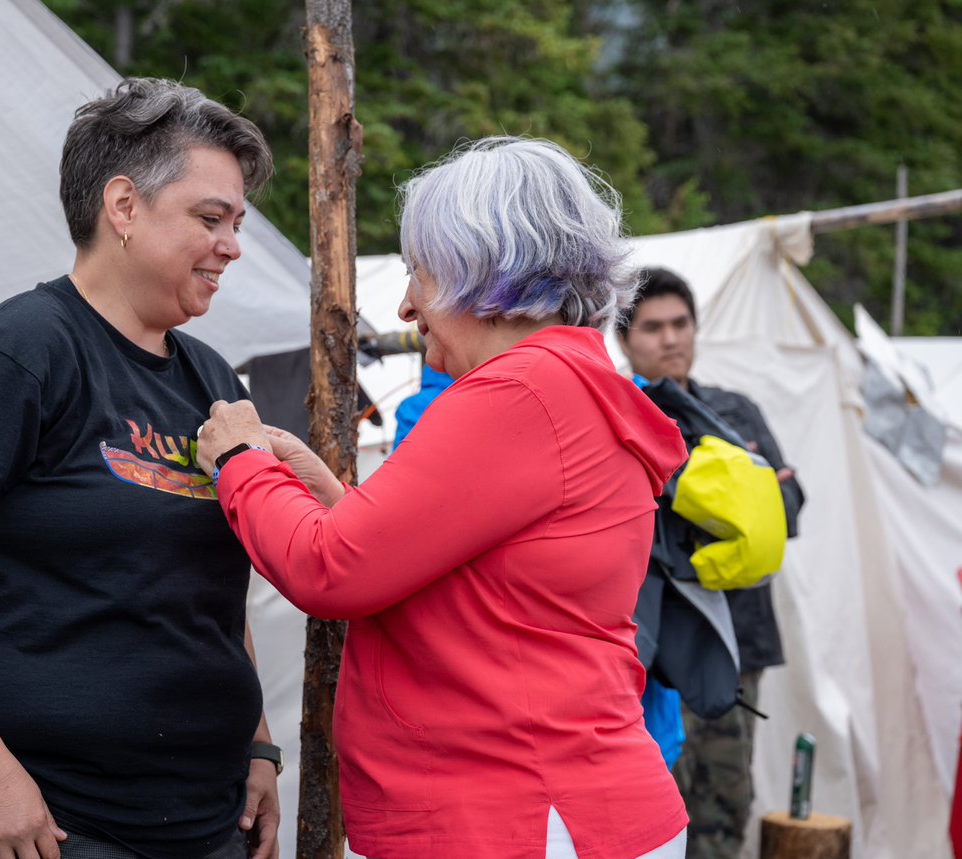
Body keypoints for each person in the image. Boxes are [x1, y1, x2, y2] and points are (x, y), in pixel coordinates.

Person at [196, 137, 690, 859]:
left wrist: (238, 461)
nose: (407, 304)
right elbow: (452, 576)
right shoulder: (572, 386)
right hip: (546, 804)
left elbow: (329, 570)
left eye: (420, 274)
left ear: (477, 268)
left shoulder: (518, 393)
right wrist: (326, 491)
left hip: (507, 816)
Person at [0, 78, 281, 859]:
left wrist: (257, 744)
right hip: (43, 820)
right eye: (211, 218)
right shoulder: (14, 356)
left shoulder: (211, 378)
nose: (234, 245)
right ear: (123, 206)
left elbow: (205, 581)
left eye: (236, 223)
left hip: (202, 819)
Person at [617, 267, 805, 859]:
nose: (670, 339)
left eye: (681, 323)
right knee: (654, 802)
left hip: (737, 638)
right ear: (625, 338)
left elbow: (791, 508)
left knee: (726, 799)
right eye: (652, 328)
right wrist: (738, 494)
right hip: (648, 648)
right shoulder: (619, 414)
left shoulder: (735, 412)